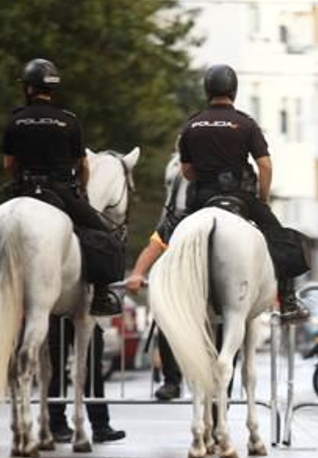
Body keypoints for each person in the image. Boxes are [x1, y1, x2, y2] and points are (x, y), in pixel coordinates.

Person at [123, 64, 306, 320]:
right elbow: (265, 165)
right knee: (282, 240)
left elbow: (187, 171)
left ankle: (144, 274)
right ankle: (289, 301)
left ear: (207, 90)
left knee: (166, 233)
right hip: (240, 197)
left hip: (203, 198)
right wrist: (262, 198)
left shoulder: (191, 125)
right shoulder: (246, 124)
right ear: (234, 91)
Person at [0, 58, 121, 318]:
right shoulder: (68, 121)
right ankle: (102, 296)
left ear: (29, 88)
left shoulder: (16, 120)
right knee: (104, 234)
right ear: (52, 88)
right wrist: (82, 191)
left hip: (25, 189)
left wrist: (21, 180)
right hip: (60, 191)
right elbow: (83, 165)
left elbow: (9, 164)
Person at [46, 317, 125, 444]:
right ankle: (56, 426)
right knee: (56, 368)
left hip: (84, 313)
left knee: (93, 365)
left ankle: (100, 426)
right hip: (56, 314)